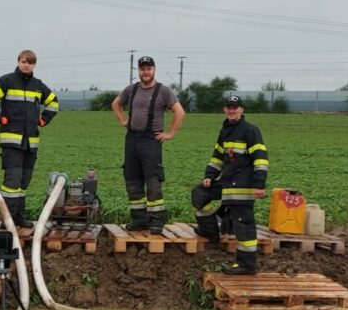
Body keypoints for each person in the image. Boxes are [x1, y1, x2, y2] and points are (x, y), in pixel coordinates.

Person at [191, 95, 269, 274]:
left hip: (243, 187)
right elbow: (217, 157)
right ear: (224, 110)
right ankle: (210, 231)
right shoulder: (225, 131)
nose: (231, 110)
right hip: (227, 182)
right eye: (229, 107)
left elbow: (261, 159)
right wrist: (210, 175)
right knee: (200, 193)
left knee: (243, 225)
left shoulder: (250, 131)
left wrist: (259, 184)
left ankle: (247, 265)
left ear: (242, 110)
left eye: (235, 107)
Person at [0, 50, 59, 227]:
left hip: (31, 143)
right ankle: (7, 219)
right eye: (24, 61)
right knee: (12, 181)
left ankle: (18, 217)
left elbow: (54, 103)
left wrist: (44, 119)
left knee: (24, 181)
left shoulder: (38, 86)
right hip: (11, 141)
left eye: (30, 63)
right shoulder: (6, 81)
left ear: (34, 65)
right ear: (18, 62)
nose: (27, 65)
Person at [111, 55, 185, 234]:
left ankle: (157, 221)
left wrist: (170, 133)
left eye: (149, 68)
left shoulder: (164, 91)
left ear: (154, 70)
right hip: (132, 139)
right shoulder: (132, 89)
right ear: (139, 71)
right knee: (132, 179)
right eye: (143, 69)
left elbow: (179, 112)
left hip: (151, 140)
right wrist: (123, 120)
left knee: (152, 180)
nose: (146, 72)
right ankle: (139, 220)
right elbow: (116, 103)